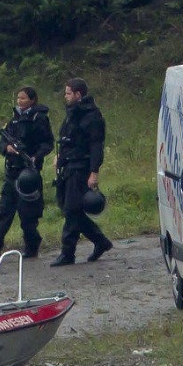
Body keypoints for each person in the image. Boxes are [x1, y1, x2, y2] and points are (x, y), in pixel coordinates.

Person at [0, 86, 54, 259]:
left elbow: (47, 143)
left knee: (28, 214)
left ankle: (32, 245)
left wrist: (36, 156)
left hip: (28, 174)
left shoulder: (39, 118)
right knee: (4, 210)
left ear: (32, 100)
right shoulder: (14, 120)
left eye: (23, 98)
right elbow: (2, 141)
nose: (19, 101)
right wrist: (7, 148)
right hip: (12, 172)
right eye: (18, 98)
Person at [50, 78, 113, 267]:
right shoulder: (72, 113)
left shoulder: (92, 117)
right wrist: (59, 156)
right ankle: (100, 241)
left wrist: (94, 172)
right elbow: (68, 138)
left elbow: (96, 147)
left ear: (78, 95)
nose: (65, 96)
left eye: (68, 93)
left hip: (81, 167)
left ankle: (67, 253)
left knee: (71, 209)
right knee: (69, 208)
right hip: (68, 166)